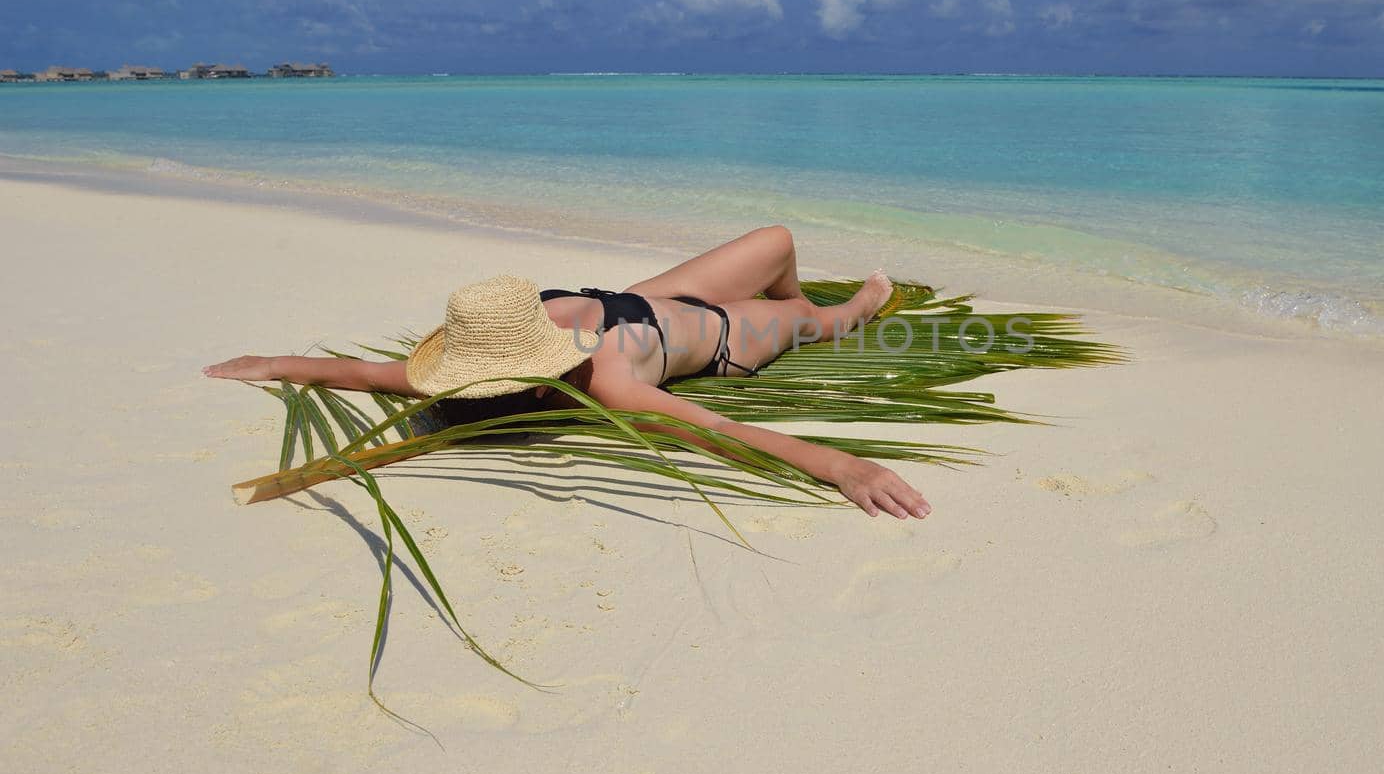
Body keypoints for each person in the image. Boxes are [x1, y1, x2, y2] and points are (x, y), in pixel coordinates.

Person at [204, 226, 931, 520]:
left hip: (647, 295)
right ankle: (847, 307)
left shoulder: (474, 345)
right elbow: (721, 428)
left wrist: (274, 363)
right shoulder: (611, 384)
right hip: (720, 338)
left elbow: (364, 372)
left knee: (776, 239)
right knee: (817, 319)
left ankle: (797, 292)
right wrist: (842, 465)